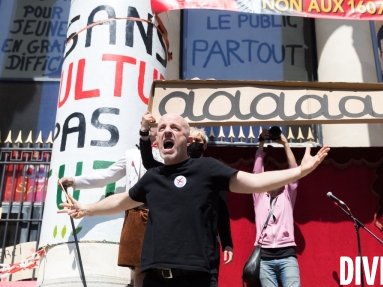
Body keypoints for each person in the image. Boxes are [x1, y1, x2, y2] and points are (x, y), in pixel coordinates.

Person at [58, 113, 329, 287]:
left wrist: (301, 171)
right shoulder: (153, 177)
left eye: (174, 127)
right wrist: (86, 209)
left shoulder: (207, 169)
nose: (166, 130)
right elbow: (121, 201)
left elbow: (253, 181)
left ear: (187, 139)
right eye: (162, 126)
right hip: (155, 278)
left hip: (196, 277)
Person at [57, 113, 162, 287]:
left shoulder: (171, 155)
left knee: (163, 265)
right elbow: (107, 175)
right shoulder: (131, 155)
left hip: (162, 212)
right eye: (147, 125)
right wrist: (76, 181)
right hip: (136, 212)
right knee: (138, 267)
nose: (151, 127)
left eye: (154, 124)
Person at [138, 112, 233, 287]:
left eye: (199, 142)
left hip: (203, 252)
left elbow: (223, 210)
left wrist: (227, 243)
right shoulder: (167, 173)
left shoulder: (212, 172)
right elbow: (148, 161)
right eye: (193, 140)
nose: (195, 144)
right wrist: (144, 131)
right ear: (187, 142)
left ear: (204, 146)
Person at [253, 129, 300, 287]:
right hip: (264, 257)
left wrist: (285, 144)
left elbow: (294, 171)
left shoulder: (286, 195)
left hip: (287, 255)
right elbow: (256, 173)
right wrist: (261, 144)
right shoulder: (259, 196)